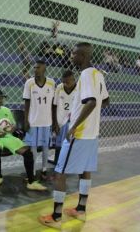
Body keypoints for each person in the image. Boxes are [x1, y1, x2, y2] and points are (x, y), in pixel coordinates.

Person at [39, 42, 110, 229]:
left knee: (59, 173)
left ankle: (55, 217)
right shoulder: (98, 74)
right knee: (85, 170)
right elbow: (106, 101)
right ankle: (80, 209)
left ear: (82, 56)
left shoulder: (86, 75)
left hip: (79, 133)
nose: (71, 56)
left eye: (73, 54)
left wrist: (74, 126)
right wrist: (88, 116)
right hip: (93, 133)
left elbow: (93, 102)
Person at [0, 90, 47, 190]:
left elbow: (13, 125)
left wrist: (12, 129)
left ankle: (31, 181)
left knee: (28, 153)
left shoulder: (6, 110)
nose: (1, 99)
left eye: (2, 97)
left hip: (8, 137)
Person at [23, 60, 55, 180]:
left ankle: (44, 169)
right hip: (33, 121)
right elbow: (26, 102)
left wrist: (54, 121)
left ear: (44, 69)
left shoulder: (51, 83)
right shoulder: (29, 83)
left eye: (38, 68)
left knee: (46, 146)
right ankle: (33, 170)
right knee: (33, 147)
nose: (35, 69)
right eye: (35, 67)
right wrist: (26, 120)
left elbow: (53, 103)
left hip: (47, 121)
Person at [52, 70, 76, 165]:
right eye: (64, 82)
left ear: (74, 80)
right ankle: (57, 164)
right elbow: (54, 105)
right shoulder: (59, 87)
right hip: (60, 120)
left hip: (72, 121)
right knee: (59, 145)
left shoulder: (79, 89)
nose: (65, 84)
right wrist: (55, 123)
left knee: (69, 144)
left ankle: (68, 163)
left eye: (68, 82)